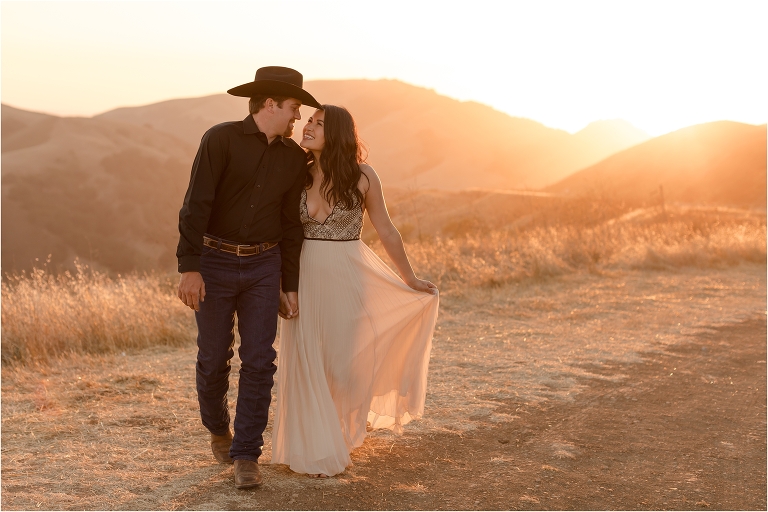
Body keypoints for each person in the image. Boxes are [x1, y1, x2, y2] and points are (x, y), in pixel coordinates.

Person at [271, 105, 439, 477]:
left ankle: (339, 433)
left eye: (318, 123)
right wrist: (283, 284)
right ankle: (312, 446)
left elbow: (387, 229)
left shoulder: (363, 176)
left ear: (339, 134)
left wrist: (409, 278)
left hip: (348, 277)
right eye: (309, 121)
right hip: (304, 278)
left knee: (341, 364)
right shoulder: (299, 172)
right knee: (305, 361)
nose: (309, 126)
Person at [176, 66, 321, 489]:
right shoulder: (219, 139)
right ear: (271, 103)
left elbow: (290, 225)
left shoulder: (294, 159)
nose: (298, 117)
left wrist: (287, 284)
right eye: (295, 107)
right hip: (215, 263)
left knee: (260, 361)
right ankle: (218, 429)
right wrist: (190, 267)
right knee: (213, 358)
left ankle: (246, 454)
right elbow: (195, 204)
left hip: (264, 265)